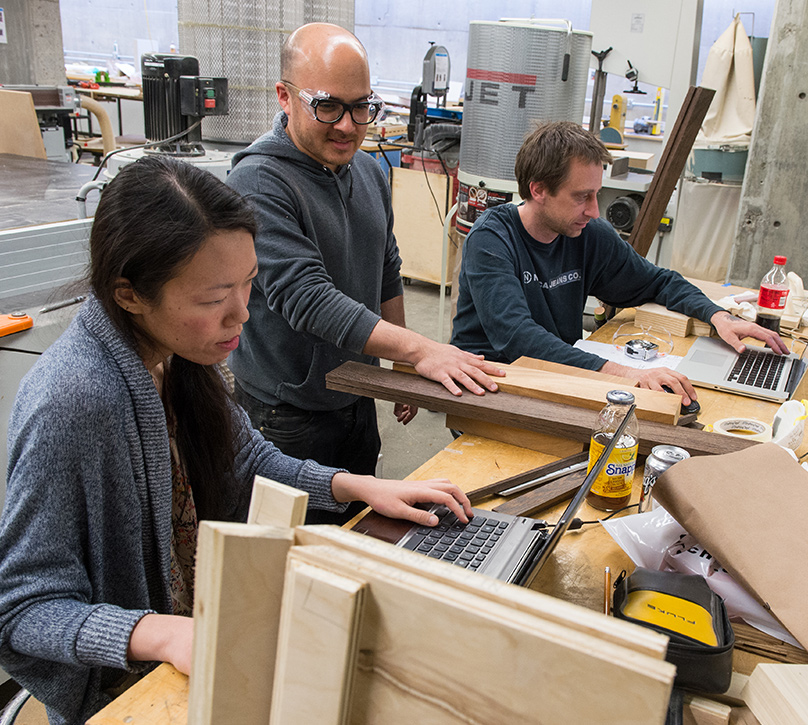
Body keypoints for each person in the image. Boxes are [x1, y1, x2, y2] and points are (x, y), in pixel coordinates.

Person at [0, 156, 473, 725]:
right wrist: (160, 633)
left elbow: (246, 459)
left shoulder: (175, 357)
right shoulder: (73, 401)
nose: (242, 315)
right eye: (212, 299)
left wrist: (356, 486)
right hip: (130, 698)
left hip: (198, 661)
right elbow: (21, 609)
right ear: (129, 294)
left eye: (249, 284)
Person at [226, 23, 499, 517]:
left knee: (355, 531)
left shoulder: (369, 171)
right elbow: (308, 298)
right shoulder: (258, 181)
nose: (349, 125)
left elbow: (385, 267)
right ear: (285, 97)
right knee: (290, 553)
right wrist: (421, 350)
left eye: (361, 107)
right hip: (287, 412)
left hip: (355, 395)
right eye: (327, 106)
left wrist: (398, 363)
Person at [450, 121, 789, 405]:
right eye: (582, 196)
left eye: (596, 194)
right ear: (538, 190)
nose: (594, 210)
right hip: (491, 384)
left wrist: (718, 315)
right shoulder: (492, 240)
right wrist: (627, 373)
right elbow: (518, 337)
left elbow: (658, 282)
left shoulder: (586, 233)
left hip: (557, 376)